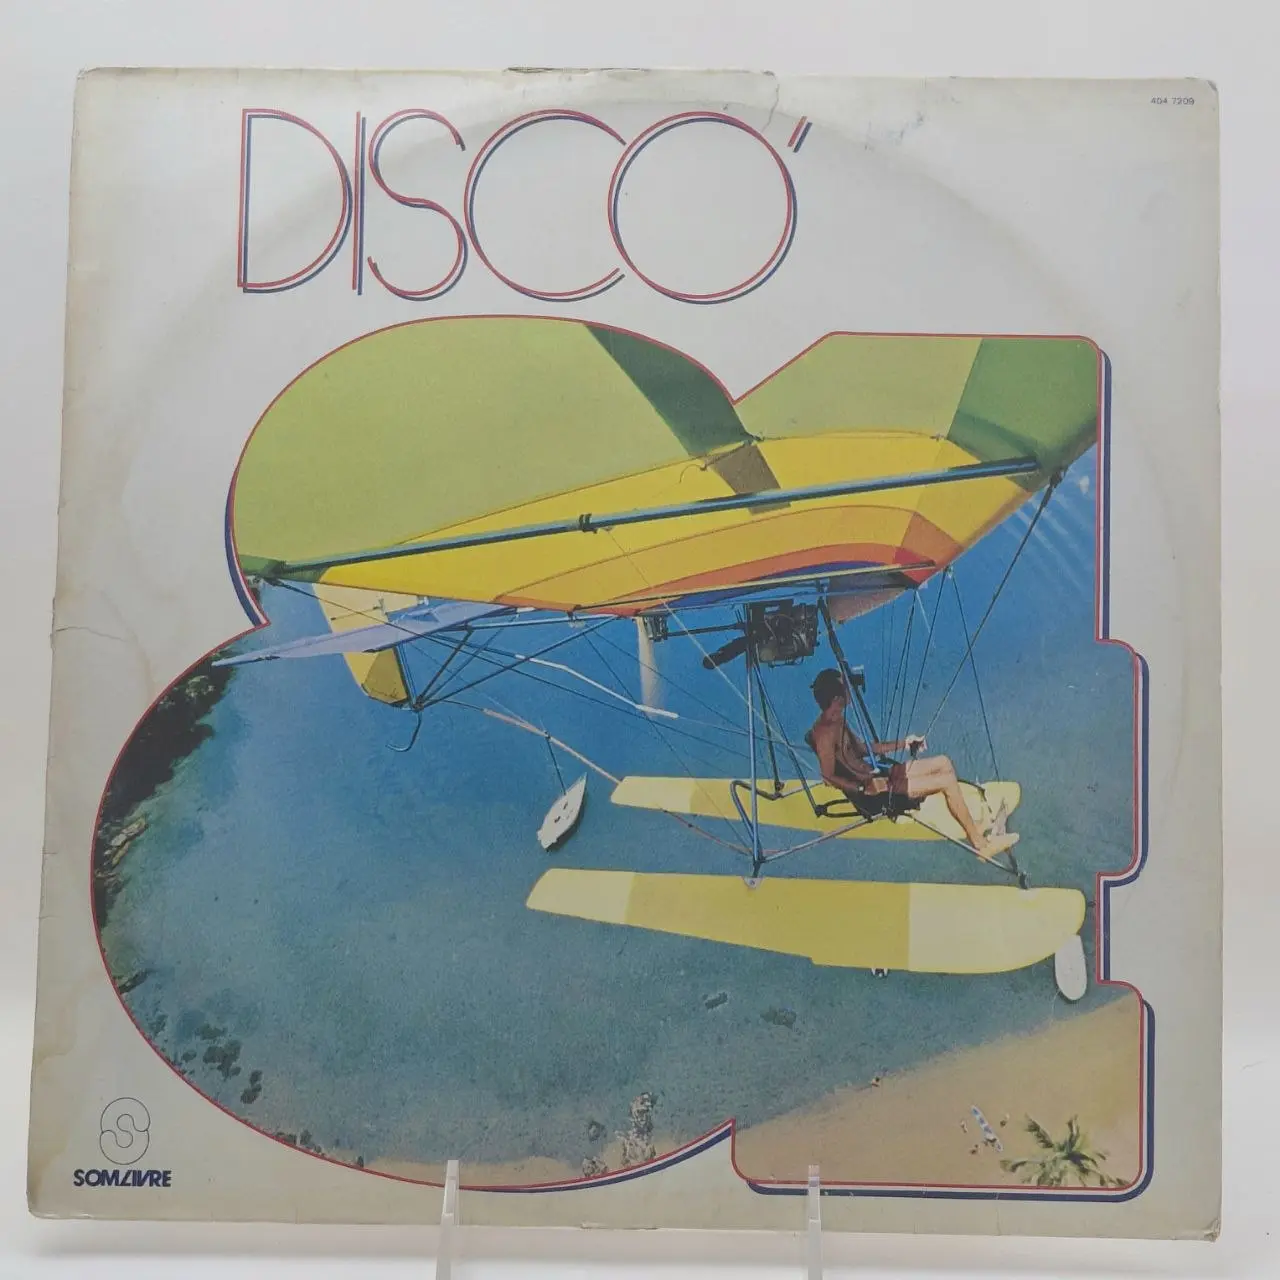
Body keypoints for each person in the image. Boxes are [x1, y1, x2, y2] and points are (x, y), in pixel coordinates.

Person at [807, 668, 1018, 860]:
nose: (851, 690)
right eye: (847, 687)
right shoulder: (824, 735)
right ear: (837, 699)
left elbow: (863, 749)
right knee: (946, 781)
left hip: (879, 777)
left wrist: (904, 742)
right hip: (875, 795)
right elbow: (828, 777)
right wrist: (862, 788)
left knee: (943, 762)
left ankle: (972, 827)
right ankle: (981, 846)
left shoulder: (838, 720)